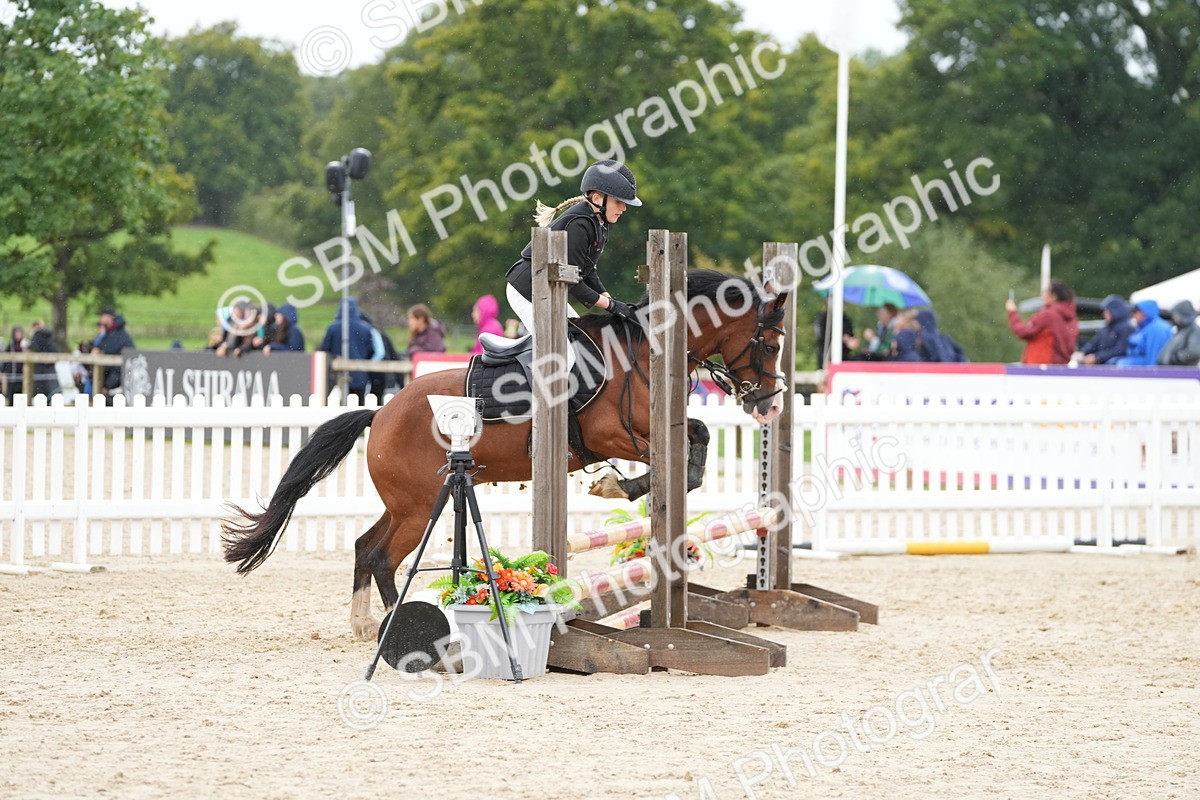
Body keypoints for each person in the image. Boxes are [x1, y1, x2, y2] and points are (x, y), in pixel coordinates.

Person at [504, 159, 642, 368]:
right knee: (563, 356)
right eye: (619, 202)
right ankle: (532, 399)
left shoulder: (598, 223)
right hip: (527, 292)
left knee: (583, 342)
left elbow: (587, 271)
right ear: (597, 198)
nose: (624, 208)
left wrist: (610, 300)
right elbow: (573, 282)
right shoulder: (580, 225)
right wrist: (611, 306)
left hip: (549, 290)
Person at [1005, 280, 1078, 365]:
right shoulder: (1072, 319)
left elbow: (1023, 332)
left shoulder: (1048, 315)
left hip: (1040, 369)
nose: (1043, 294)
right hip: (1060, 369)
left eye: (1046, 291)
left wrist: (1012, 312)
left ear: (1054, 296)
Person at [318, 298, 377, 402]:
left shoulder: (332, 328)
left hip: (337, 375)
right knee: (359, 408)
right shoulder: (366, 328)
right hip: (361, 374)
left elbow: (325, 349)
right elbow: (371, 350)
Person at [90, 307, 135, 396]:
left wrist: (98, 349)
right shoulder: (111, 332)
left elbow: (108, 348)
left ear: (109, 317)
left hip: (119, 372)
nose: (100, 318)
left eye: (102, 316)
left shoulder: (117, 333)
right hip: (113, 371)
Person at [1079, 294, 1134, 365]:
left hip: (1115, 366)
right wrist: (1082, 352)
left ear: (1115, 311)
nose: (1104, 314)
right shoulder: (1105, 328)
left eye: (1107, 311)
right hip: (1103, 364)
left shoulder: (1127, 328)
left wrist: (1097, 357)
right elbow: (1093, 343)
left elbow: (1120, 349)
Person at [1114, 300, 1173, 366]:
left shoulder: (1157, 328)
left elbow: (1153, 360)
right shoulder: (1145, 327)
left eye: (1135, 312)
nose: (1132, 315)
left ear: (1145, 312)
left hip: (1145, 374)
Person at [813, 299, 857, 369]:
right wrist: (840, 338)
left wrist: (851, 341)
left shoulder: (846, 320)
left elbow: (850, 337)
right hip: (826, 359)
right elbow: (820, 336)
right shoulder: (823, 318)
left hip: (844, 359)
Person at [1157, 301, 1200, 366]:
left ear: (1183, 314)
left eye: (1177, 315)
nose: (1174, 317)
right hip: (1175, 370)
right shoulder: (1181, 328)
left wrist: (1176, 358)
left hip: (1183, 372)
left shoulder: (1193, 329)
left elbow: (1194, 351)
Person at [29, 324, 60, 397]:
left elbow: (35, 348)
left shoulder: (36, 337)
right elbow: (54, 349)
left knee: (39, 393)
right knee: (52, 392)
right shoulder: (50, 336)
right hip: (49, 368)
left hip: (40, 367)